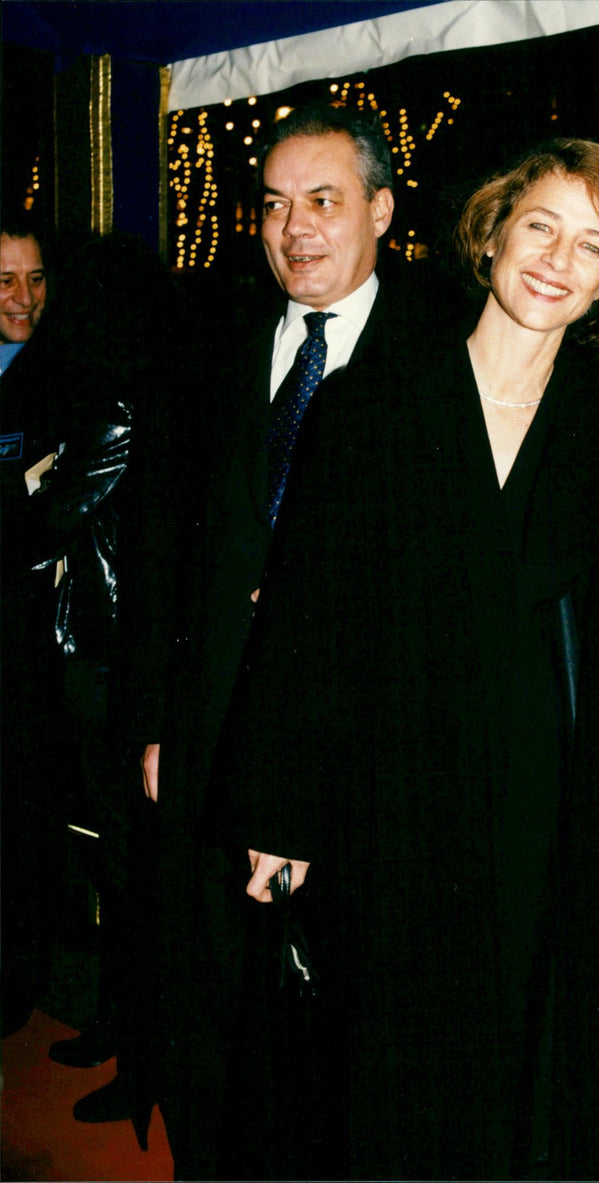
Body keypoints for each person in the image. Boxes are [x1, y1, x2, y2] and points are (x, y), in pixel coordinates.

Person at [217, 138, 599, 1180]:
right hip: (387, 816)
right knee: (375, 1090)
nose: (558, 260)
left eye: (592, 246)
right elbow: (306, 628)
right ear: (492, 232)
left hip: (539, 833)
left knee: (514, 1097)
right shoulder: (369, 408)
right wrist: (282, 815)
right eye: (541, 226)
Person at [151, 102, 450, 1180]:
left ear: (377, 208)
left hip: (352, 753)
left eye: (322, 200)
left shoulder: (437, 366)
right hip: (211, 726)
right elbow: (164, 548)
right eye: (274, 205)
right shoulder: (214, 347)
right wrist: (153, 721)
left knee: (334, 1013)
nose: (294, 228)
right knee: (214, 990)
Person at [18, 232, 188, 1146]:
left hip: (113, 659)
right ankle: (125, 1035)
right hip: (112, 653)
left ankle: (143, 1063)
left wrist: (33, 483)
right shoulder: (133, 381)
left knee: (131, 866)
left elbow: (53, 514)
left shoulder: (118, 395)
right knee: (122, 864)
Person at [0, 212, 64, 1037]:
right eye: (7, 281)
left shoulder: (62, 375)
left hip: (27, 636)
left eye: (37, 278)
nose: (26, 298)